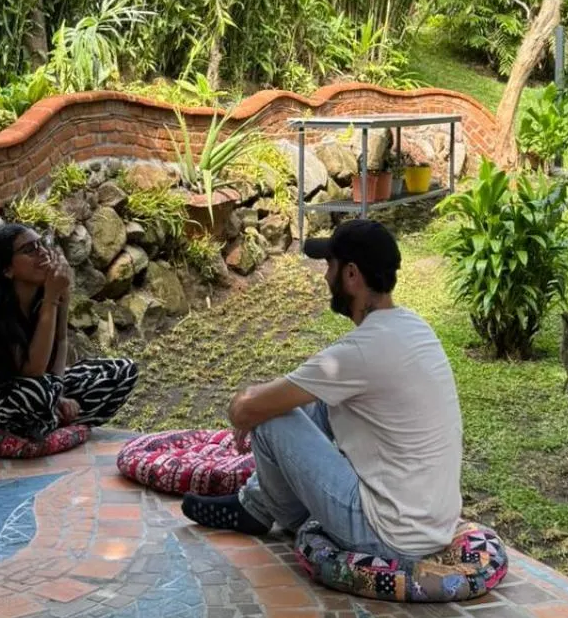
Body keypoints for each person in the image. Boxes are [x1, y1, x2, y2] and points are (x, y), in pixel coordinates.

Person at [182, 219, 462, 565]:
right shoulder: (414, 327)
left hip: (387, 535)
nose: (325, 277)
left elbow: (245, 411)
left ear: (351, 275)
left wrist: (252, 407)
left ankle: (256, 508)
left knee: (273, 419)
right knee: (314, 405)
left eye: (330, 266)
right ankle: (255, 502)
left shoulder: (360, 352)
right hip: (431, 524)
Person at [0, 222, 138, 440]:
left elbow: (61, 342)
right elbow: (33, 371)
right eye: (29, 250)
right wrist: (51, 298)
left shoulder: (44, 295)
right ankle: (48, 418)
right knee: (36, 393)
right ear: (7, 270)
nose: (42, 253)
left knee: (123, 370)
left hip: (40, 387)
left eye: (41, 244)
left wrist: (58, 394)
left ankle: (46, 419)